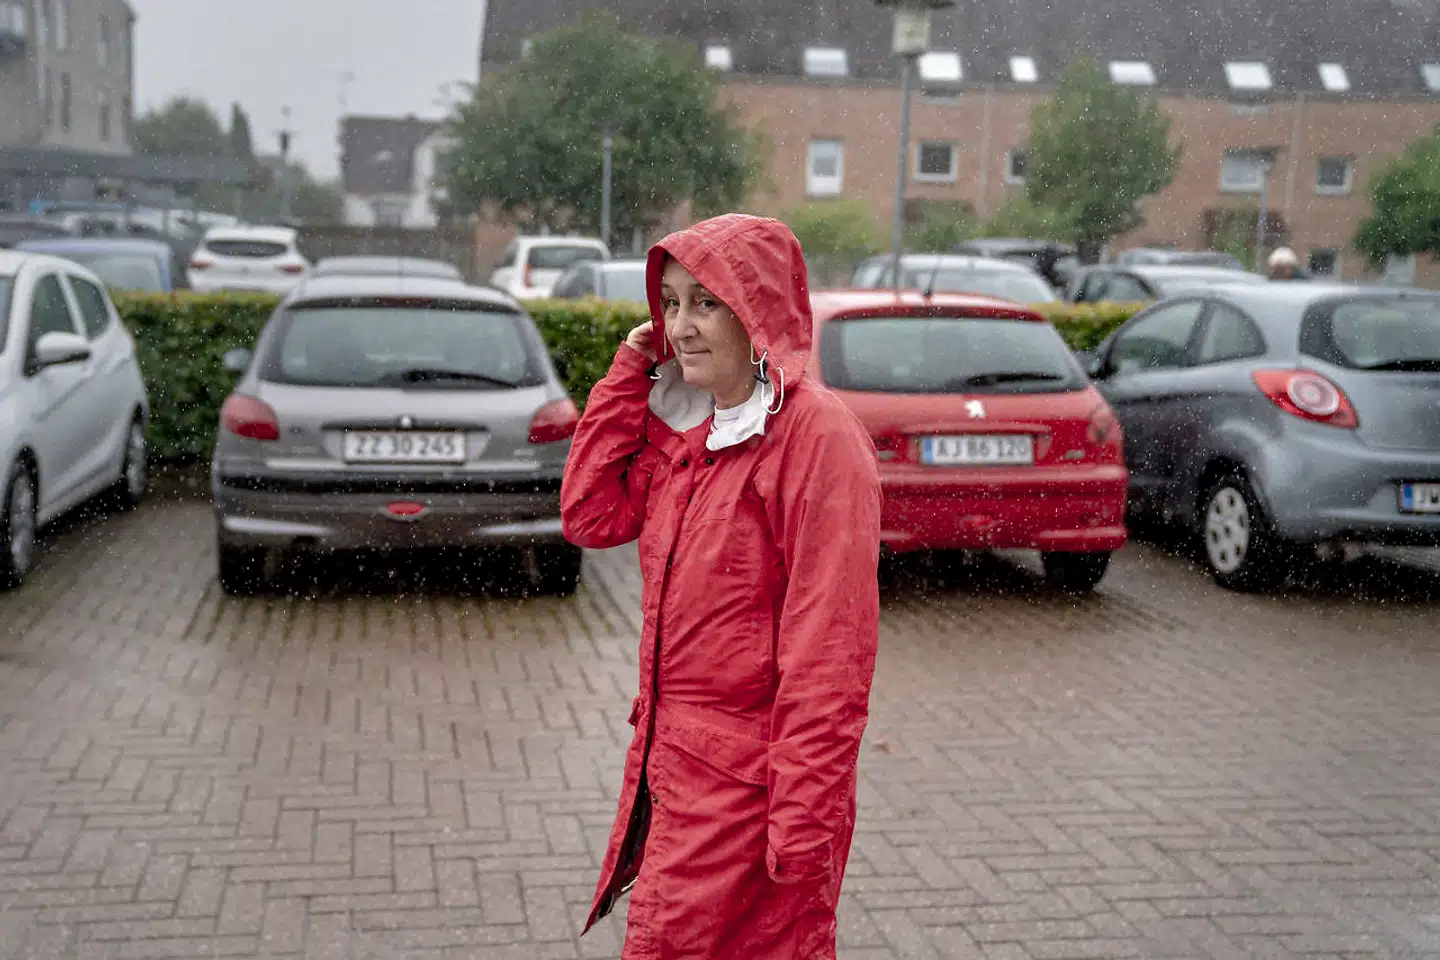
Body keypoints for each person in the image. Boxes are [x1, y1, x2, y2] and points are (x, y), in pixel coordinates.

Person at [561, 214, 882, 959]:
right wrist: (627, 372)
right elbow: (589, 510)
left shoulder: (816, 440)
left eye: (706, 302)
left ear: (758, 307)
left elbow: (829, 655)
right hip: (675, 774)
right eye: (669, 304)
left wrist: (803, 829)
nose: (682, 326)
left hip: (750, 795)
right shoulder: (695, 429)